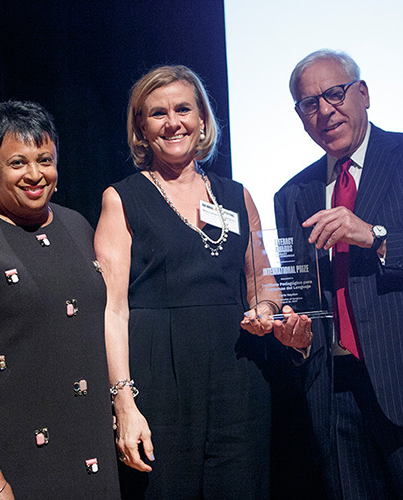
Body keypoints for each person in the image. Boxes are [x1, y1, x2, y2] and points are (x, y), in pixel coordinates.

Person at [94, 65, 309, 500]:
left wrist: (265, 312)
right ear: (141, 126)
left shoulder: (237, 195)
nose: (173, 122)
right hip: (160, 380)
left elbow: (262, 282)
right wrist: (123, 401)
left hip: (240, 376)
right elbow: (112, 308)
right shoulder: (122, 198)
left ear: (203, 120)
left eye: (183, 109)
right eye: (157, 113)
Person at [270, 49, 403, 499]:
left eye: (335, 94)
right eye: (310, 103)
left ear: (362, 94)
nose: (325, 110)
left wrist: (376, 237)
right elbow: (303, 295)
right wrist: (298, 336)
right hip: (334, 397)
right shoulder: (293, 193)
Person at [0, 101, 121, 500]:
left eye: (45, 160)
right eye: (18, 163)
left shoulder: (76, 225)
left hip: (91, 450)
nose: (36, 175)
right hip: (17, 461)